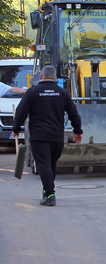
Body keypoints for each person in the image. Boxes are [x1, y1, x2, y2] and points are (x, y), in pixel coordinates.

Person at [13, 65, 83, 207]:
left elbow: (21, 112)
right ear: (55, 78)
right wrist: (77, 131)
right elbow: (74, 113)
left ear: (42, 76)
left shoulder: (33, 92)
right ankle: (48, 191)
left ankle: (50, 195)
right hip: (57, 136)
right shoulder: (62, 93)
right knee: (50, 165)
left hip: (39, 136)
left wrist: (16, 128)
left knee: (44, 165)